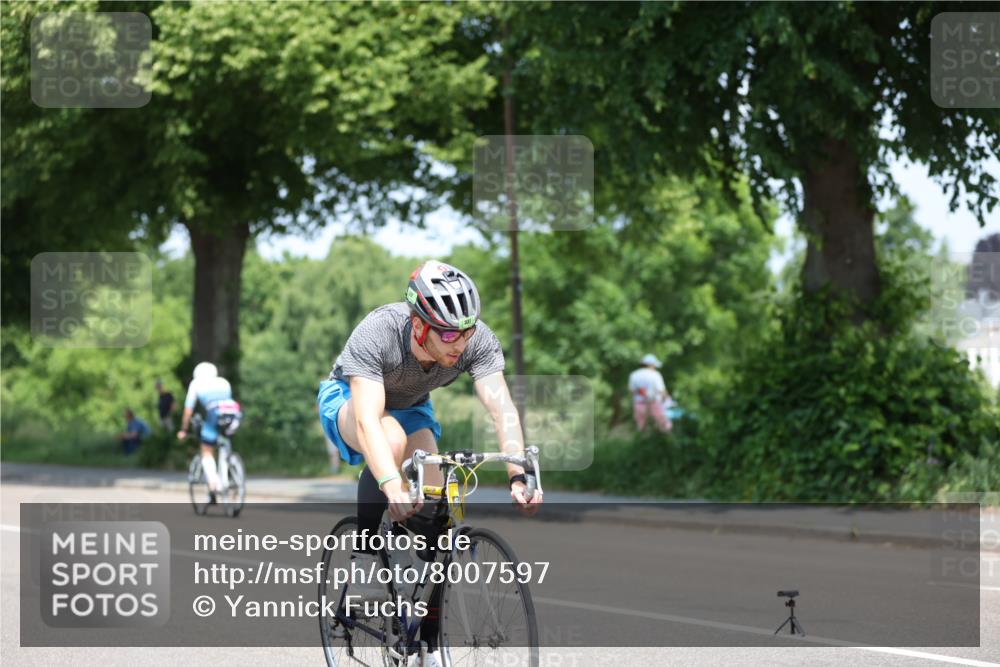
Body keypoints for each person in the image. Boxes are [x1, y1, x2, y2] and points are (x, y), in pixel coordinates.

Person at [317, 260, 543, 667]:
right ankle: (366, 558)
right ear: (419, 325)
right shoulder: (379, 332)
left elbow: (502, 408)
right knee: (389, 439)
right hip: (350, 400)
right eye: (449, 334)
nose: (460, 343)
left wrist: (518, 473)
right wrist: (392, 485)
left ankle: (425, 637)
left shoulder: (475, 340)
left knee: (438, 508)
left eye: (467, 331)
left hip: (412, 406)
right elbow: (368, 421)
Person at [177, 362, 234, 496]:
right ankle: (226, 478)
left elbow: (188, 410)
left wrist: (184, 429)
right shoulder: (224, 382)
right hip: (232, 414)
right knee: (224, 444)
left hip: (214, 414)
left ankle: (214, 483)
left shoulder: (196, 384)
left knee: (206, 449)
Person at [628, 353, 673, 433]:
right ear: (651, 365)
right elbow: (661, 391)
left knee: (642, 427)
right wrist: (667, 400)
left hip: (639, 404)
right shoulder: (655, 374)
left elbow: (632, 391)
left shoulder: (634, 375)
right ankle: (665, 438)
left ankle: (642, 439)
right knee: (663, 425)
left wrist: (642, 392)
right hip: (654, 403)